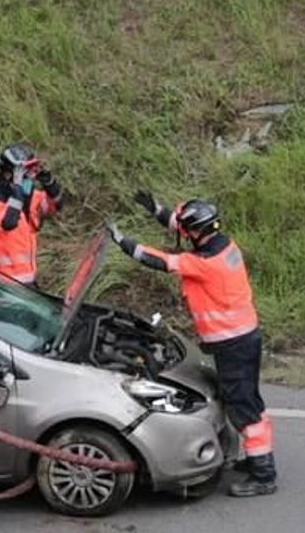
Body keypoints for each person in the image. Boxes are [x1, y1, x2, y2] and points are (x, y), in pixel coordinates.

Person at [110, 193, 276, 496]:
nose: (183, 234)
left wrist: (124, 243)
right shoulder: (223, 244)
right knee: (246, 398)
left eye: (187, 230)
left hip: (232, 342)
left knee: (243, 404)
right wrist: (156, 210)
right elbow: (184, 226)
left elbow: (160, 260)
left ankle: (263, 474)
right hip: (242, 337)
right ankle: (257, 458)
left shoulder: (205, 263)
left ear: (198, 231)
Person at [0, 141, 63, 285]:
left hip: (26, 284)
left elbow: (56, 206)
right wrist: (19, 189)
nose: (29, 177)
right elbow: (9, 222)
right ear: (9, 175)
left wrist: (49, 183)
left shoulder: (27, 197)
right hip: (3, 285)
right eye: (24, 173)